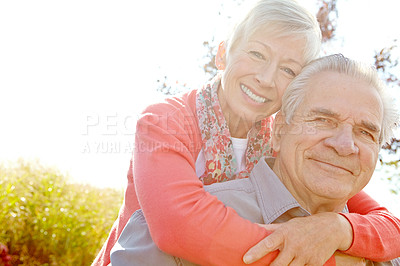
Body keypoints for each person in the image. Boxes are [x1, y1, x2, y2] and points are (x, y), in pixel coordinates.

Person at [93, 1, 400, 265]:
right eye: (256, 54)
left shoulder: (285, 142)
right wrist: (323, 257)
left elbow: (386, 222)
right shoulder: (165, 120)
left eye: (288, 70)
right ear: (223, 54)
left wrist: (338, 229)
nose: (266, 79)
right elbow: (180, 228)